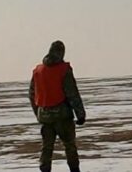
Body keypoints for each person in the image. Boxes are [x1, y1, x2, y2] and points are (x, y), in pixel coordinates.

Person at [29, 41, 86, 172]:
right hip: (63, 116)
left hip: (45, 116)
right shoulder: (64, 70)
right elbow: (72, 93)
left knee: (46, 148)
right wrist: (80, 114)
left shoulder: (38, 71)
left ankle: (44, 170)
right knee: (69, 146)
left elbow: (32, 95)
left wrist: (38, 112)